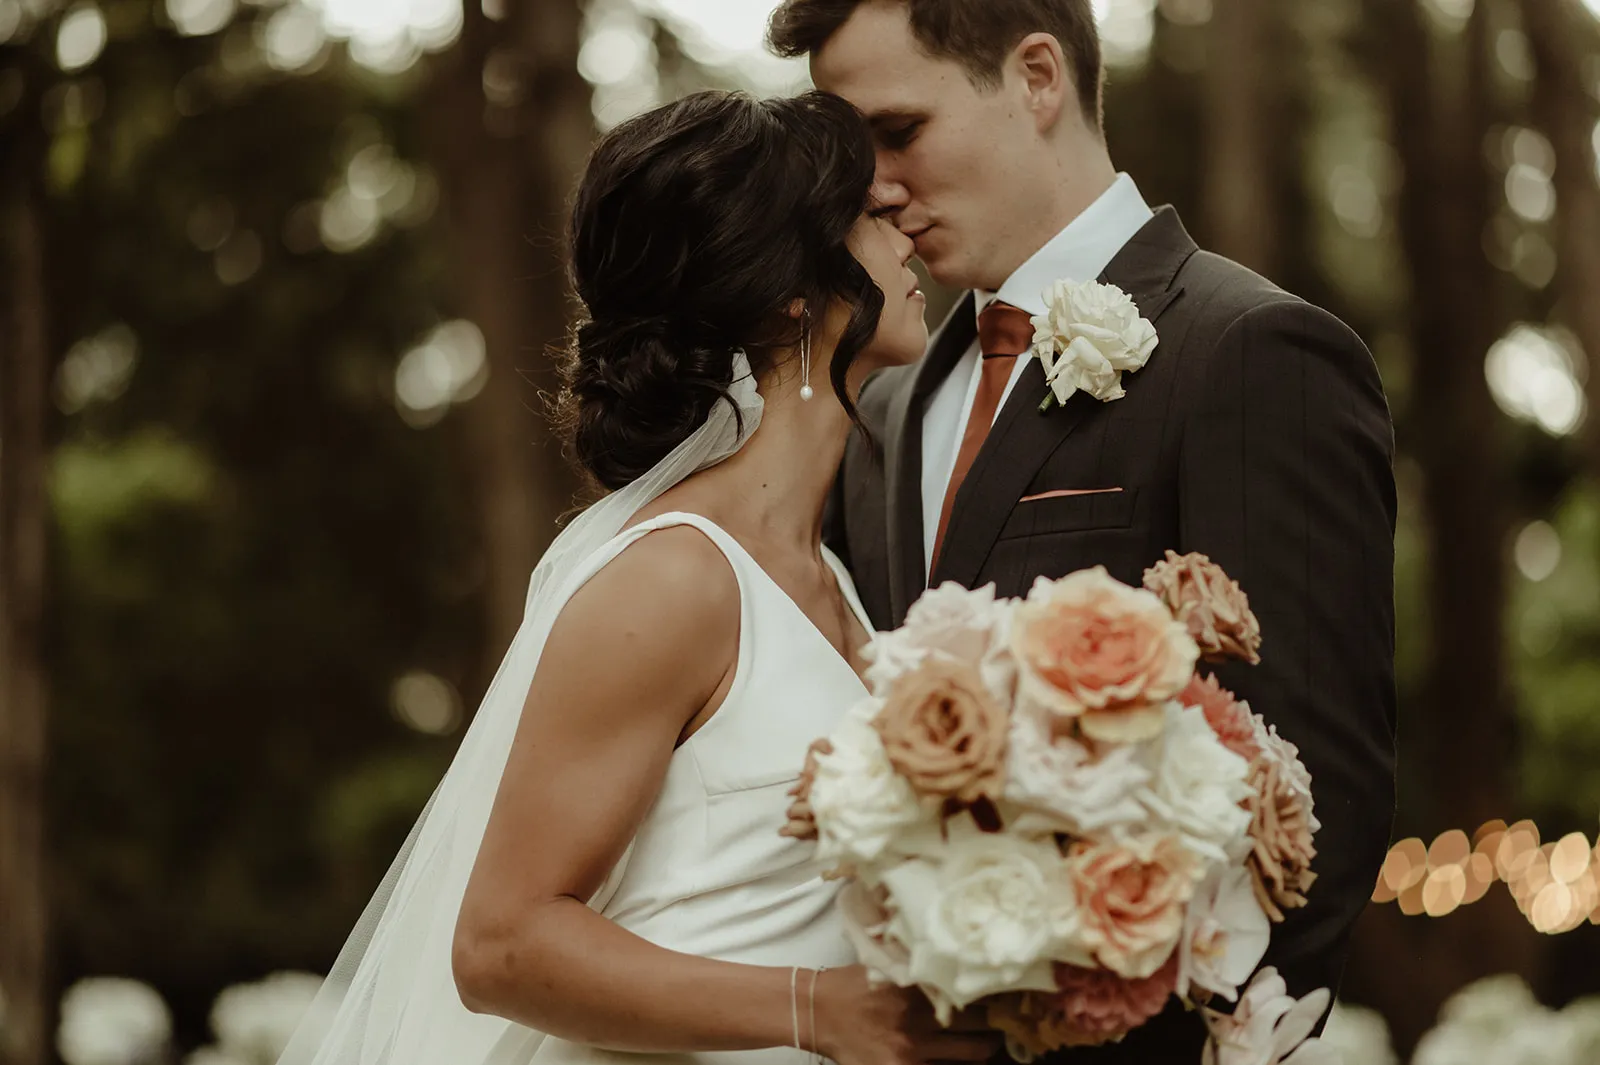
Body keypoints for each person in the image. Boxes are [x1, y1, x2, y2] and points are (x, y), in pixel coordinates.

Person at [275, 90, 1000, 1065]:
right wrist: (816, 1011)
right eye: (868, 214)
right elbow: (499, 942)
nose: (904, 227)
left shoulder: (825, 573)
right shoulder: (671, 581)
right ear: (791, 289)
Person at [768, 1, 1398, 1061]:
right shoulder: (881, 407)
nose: (869, 186)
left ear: (1037, 77)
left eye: (898, 131)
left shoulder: (1251, 353)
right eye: (848, 149)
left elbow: (1310, 807)